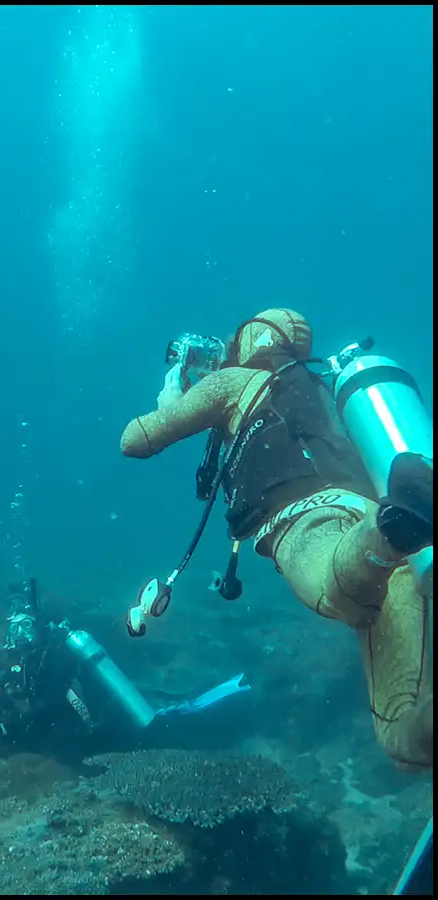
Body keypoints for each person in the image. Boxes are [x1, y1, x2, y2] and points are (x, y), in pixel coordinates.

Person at [119, 308, 433, 769]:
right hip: (381, 521)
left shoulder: (234, 382)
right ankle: (396, 524)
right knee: (399, 732)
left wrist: (169, 401)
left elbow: (135, 439)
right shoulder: (321, 387)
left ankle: (389, 533)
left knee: (341, 593)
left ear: (252, 339)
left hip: (314, 520)